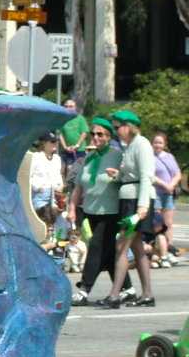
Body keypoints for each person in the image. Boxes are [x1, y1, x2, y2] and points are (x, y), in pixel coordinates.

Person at [66, 118, 135, 306]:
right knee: (108, 253)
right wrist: (72, 208)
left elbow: (129, 178)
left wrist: (118, 177)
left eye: (100, 134)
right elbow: (78, 186)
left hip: (111, 211)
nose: (95, 138)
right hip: (91, 211)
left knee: (96, 247)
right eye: (93, 134)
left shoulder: (118, 155)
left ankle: (84, 289)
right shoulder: (89, 157)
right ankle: (128, 288)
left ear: (108, 136)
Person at [101, 110, 156, 308]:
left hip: (136, 202)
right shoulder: (130, 145)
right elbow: (130, 176)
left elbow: (146, 176)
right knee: (136, 247)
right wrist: (118, 175)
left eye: (117, 128)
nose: (115, 132)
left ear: (128, 126)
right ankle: (147, 294)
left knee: (121, 246)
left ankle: (115, 295)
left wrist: (142, 205)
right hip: (128, 200)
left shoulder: (142, 144)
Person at [151, 131, 181, 263]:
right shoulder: (150, 157)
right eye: (156, 142)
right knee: (158, 223)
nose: (158, 145)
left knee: (168, 223)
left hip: (168, 193)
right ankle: (158, 250)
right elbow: (151, 175)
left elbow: (177, 173)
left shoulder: (169, 157)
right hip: (156, 192)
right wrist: (164, 184)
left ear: (164, 144)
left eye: (160, 142)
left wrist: (172, 184)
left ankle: (169, 248)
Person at [30, 132, 64, 225]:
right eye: (52, 142)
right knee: (41, 220)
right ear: (44, 143)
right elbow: (29, 176)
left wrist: (61, 185)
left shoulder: (57, 158)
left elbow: (59, 174)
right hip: (40, 195)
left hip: (55, 194)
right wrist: (37, 187)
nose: (54, 144)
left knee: (53, 221)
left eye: (55, 142)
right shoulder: (36, 157)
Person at [58, 99, 89, 174]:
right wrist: (65, 147)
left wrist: (77, 145)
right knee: (69, 168)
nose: (68, 108)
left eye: (70, 106)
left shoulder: (80, 119)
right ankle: (70, 184)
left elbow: (84, 133)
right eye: (66, 106)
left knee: (80, 168)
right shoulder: (62, 120)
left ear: (75, 108)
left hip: (80, 149)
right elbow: (60, 134)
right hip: (67, 150)